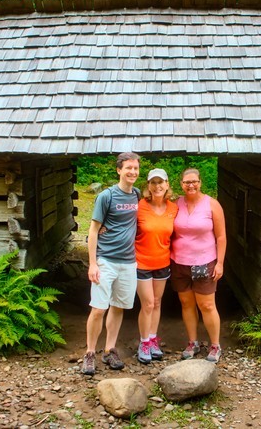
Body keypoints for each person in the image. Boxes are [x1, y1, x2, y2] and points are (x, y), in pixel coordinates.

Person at [81, 152, 141, 375]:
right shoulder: (106, 196)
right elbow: (94, 230)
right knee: (98, 309)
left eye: (135, 168)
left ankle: (110, 349)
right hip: (105, 260)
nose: (132, 172)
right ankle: (89, 353)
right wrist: (92, 263)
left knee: (118, 307)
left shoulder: (136, 195)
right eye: (128, 168)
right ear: (119, 170)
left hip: (128, 262)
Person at [170, 168, 227, 363]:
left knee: (207, 304)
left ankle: (215, 345)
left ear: (200, 182)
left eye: (194, 181)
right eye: (187, 182)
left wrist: (219, 263)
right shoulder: (177, 204)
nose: (191, 185)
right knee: (186, 303)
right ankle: (192, 342)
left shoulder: (212, 205)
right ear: (181, 184)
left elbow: (221, 236)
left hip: (204, 261)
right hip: (179, 262)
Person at [134, 168, 178, 364]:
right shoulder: (139, 206)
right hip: (141, 261)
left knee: (157, 302)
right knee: (148, 303)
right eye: (153, 182)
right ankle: (143, 342)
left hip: (163, 262)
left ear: (167, 185)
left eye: (161, 182)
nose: (157, 186)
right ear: (148, 186)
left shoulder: (173, 209)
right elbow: (123, 224)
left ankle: (152, 339)